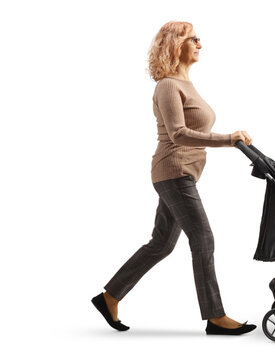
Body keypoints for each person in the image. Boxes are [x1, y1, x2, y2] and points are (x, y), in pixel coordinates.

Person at [91, 21, 256, 336]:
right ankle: (216, 316)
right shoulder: (167, 85)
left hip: (183, 175)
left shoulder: (186, 84)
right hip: (173, 172)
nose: (199, 43)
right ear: (174, 45)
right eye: (192, 38)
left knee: (162, 243)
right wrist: (229, 139)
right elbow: (179, 134)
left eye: (198, 38)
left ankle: (109, 297)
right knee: (203, 238)